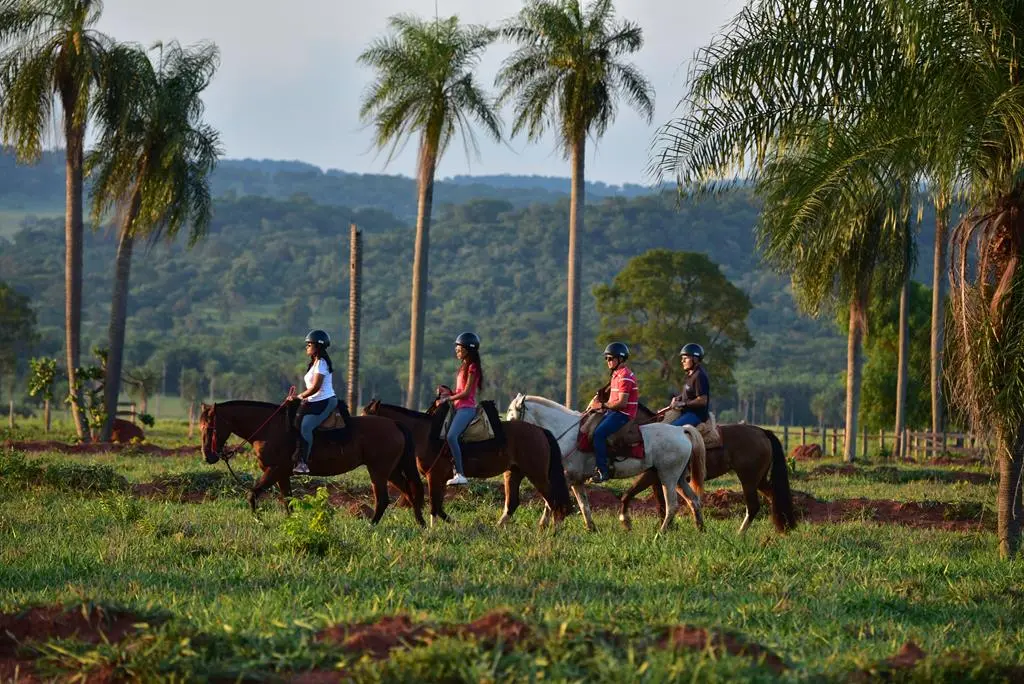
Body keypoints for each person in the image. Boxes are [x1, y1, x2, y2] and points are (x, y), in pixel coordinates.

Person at [287, 329, 338, 474]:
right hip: (314, 400)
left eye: (309, 344)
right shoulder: (314, 363)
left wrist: (299, 397)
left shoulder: (321, 363)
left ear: (318, 346)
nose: (307, 347)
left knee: (306, 426)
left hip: (325, 400)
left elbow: (315, 387)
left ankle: (303, 462)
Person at [587, 342, 638, 483]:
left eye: (611, 358)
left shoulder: (625, 376)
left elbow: (622, 403)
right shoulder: (616, 375)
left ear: (620, 359)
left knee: (599, 434)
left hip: (623, 414)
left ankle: (603, 471)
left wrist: (602, 405)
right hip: (613, 411)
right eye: (607, 359)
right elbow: (612, 399)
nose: (608, 362)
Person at [442, 332, 484, 486]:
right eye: (456, 348)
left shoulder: (473, 367)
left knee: (451, 437)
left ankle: (460, 474)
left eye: (459, 348)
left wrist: (448, 399)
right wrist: (447, 393)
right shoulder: (463, 367)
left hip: (466, 409)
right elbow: (459, 391)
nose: (457, 350)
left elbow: (466, 393)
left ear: (468, 349)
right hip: (458, 407)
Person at [670, 343, 710, 427]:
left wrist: (683, 403)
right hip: (686, 412)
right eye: (682, 359)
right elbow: (689, 394)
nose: (682, 361)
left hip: (695, 415)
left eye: (685, 358)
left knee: (672, 428)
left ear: (695, 359)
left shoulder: (699, 375)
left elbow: (702, 400)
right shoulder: (690, 375)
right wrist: (678, 398)